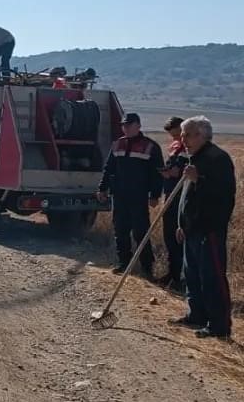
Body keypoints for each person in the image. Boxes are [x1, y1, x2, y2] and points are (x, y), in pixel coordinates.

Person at [171, 116, 235, 339]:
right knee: (192, 276)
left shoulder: (218, 159)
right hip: (191, 230)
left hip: (210, 230)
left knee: (212, 278)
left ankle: (219, 325)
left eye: (187, 134)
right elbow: (188, 199)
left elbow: (224, 195)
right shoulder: (194, 158)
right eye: (182, 134)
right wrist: (182, 224)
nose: (183, 139)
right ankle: (196, 314)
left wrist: (200, 180)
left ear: (202, 135)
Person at [97, 113, 164, 278]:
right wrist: (102, 188)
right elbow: (108, 168)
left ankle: (147, 268)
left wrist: (155, 195)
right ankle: (124, 264)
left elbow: (157, 174)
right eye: (124, 125)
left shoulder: (150, 146)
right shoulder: (117, 144)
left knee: (141, 232)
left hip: (139, 196)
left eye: (129, 125)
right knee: (120, 230)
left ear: (138, 126)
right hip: (119, 195)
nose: (125, 128)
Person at [157, 116, 188, 290]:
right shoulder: (175, 146)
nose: (173, 136)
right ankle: (172, 273)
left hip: (182, 197)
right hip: (169, 194)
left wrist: (177, 172)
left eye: (174, 132)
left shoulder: (190, 147)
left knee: (179, 236)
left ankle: (181, 277)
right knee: (169, 235)